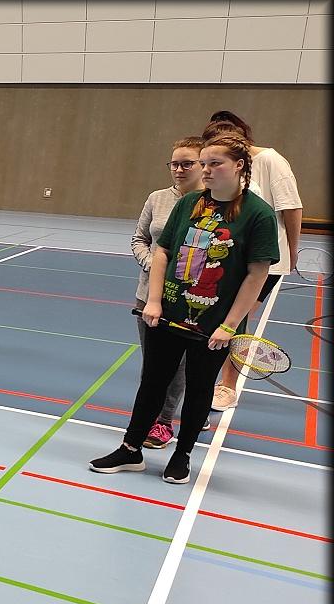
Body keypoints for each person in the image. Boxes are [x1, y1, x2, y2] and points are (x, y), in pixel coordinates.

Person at [90, 134, 278, 484]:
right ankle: (131, 449)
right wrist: (155, 301)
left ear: (239, 166)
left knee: (199, 388)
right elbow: (162, 251)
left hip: (215, 322)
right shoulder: (189, 203)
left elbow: (257, 273)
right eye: (203, 164)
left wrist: (230, 324)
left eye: (215, 163)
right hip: (169, 312)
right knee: (153, 382)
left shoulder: (258, 214)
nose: (206, 170)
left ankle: (182, 455)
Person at [200, 112, 304, 412]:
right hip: (231, 255)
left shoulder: (270, 160)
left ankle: (227, 386)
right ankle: (206, 379)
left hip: (264, 259)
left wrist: (292, 250)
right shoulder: (218, 167)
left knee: (238, 320)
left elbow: (292, 207)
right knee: (221, 317)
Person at [130, 137, 205, 448]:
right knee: (153, 364)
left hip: (190, 301)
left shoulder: (214, 204)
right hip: (149, 295)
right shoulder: (157, 198)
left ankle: (164, 420)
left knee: (180, 366)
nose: (178, 169)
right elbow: (139, 239)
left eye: (187, 163)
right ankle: (149, 417)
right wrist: (155, 266)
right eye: (174, 164)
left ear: (203, 165)